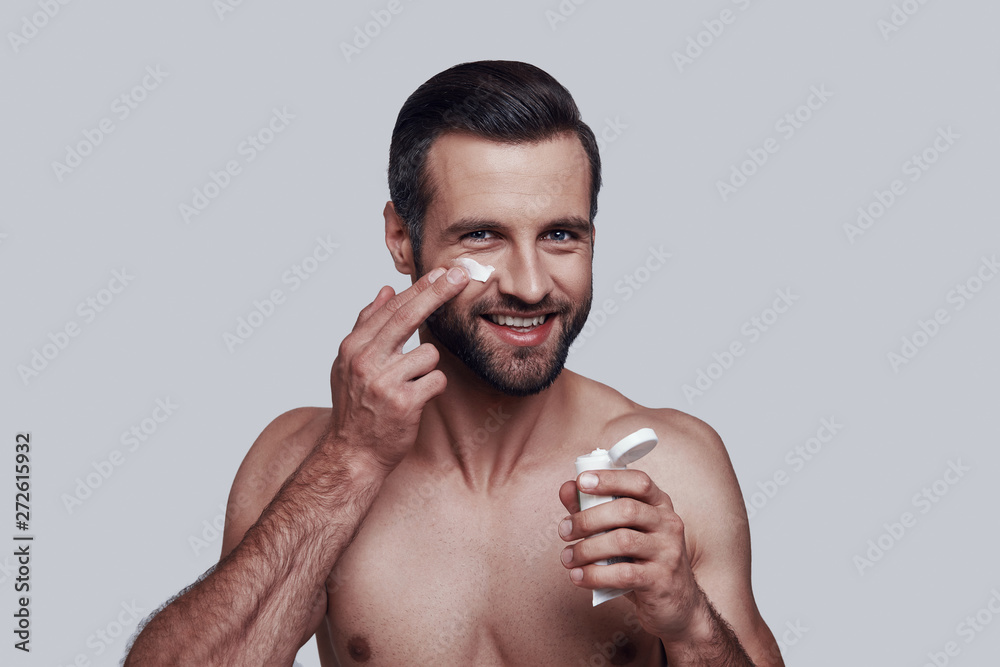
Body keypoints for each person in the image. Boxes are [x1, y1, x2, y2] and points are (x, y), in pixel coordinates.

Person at [124, 60, 783, 666]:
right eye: (482, 235)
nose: (529, 283)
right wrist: (349, 461)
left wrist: (691, 621)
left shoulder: (668, 466)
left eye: (560, 234)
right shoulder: (301, 459)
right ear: (400, 238)